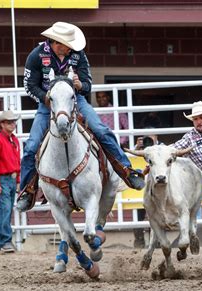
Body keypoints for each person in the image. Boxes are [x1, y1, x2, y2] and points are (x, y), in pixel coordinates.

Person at [17, 22, 145, 212]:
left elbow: (88, 85)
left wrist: (79, 86)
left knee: (102, 130)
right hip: (49, 104)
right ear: (56, 42)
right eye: (66, 43)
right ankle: (27, 190)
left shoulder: (78, 55)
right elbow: (29, 86)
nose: (70, 47)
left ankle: (126, 170)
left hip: (77, 101)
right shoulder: (37, 55)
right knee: (31, 146)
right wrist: (47, 99)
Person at [0, 110, 21, 253]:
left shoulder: (14, 140)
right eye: (9, 122)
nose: (13, 124)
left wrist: (18, 180)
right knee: (6, 209)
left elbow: (17, 161)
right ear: (2, 124)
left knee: (4, 210)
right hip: (3, 179)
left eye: (13, 122)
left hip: (10, 178)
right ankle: (6, 241)